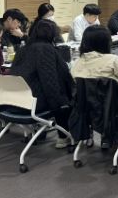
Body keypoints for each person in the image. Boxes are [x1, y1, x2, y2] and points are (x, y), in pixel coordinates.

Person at [71, 25, 118, 153]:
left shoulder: (77, 63)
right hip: (115, 108)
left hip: (89, 110)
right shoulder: (113, 60)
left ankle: (110, 137)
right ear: (106, 42)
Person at [9, 20, 73, 149]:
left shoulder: (23, 49)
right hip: (33, 104)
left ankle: (43, 130)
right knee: (65, 98)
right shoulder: (46, 49)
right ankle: (63, 137)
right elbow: (50, 82)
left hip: (14, 102)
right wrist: (60, 104)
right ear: (53, 34)